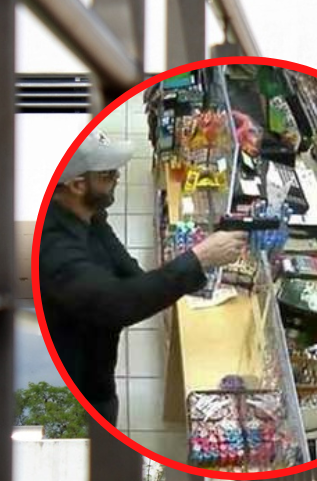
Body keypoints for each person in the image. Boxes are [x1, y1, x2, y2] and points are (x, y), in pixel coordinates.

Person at [39, 131, 247, 426]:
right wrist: (200, 259)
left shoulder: (89, 214)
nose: (118, 179)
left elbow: (130, 271)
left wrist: (183, 273)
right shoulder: (53, 249)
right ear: (76, 184)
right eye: (108, 174)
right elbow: (118, 303)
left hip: (98, 363)